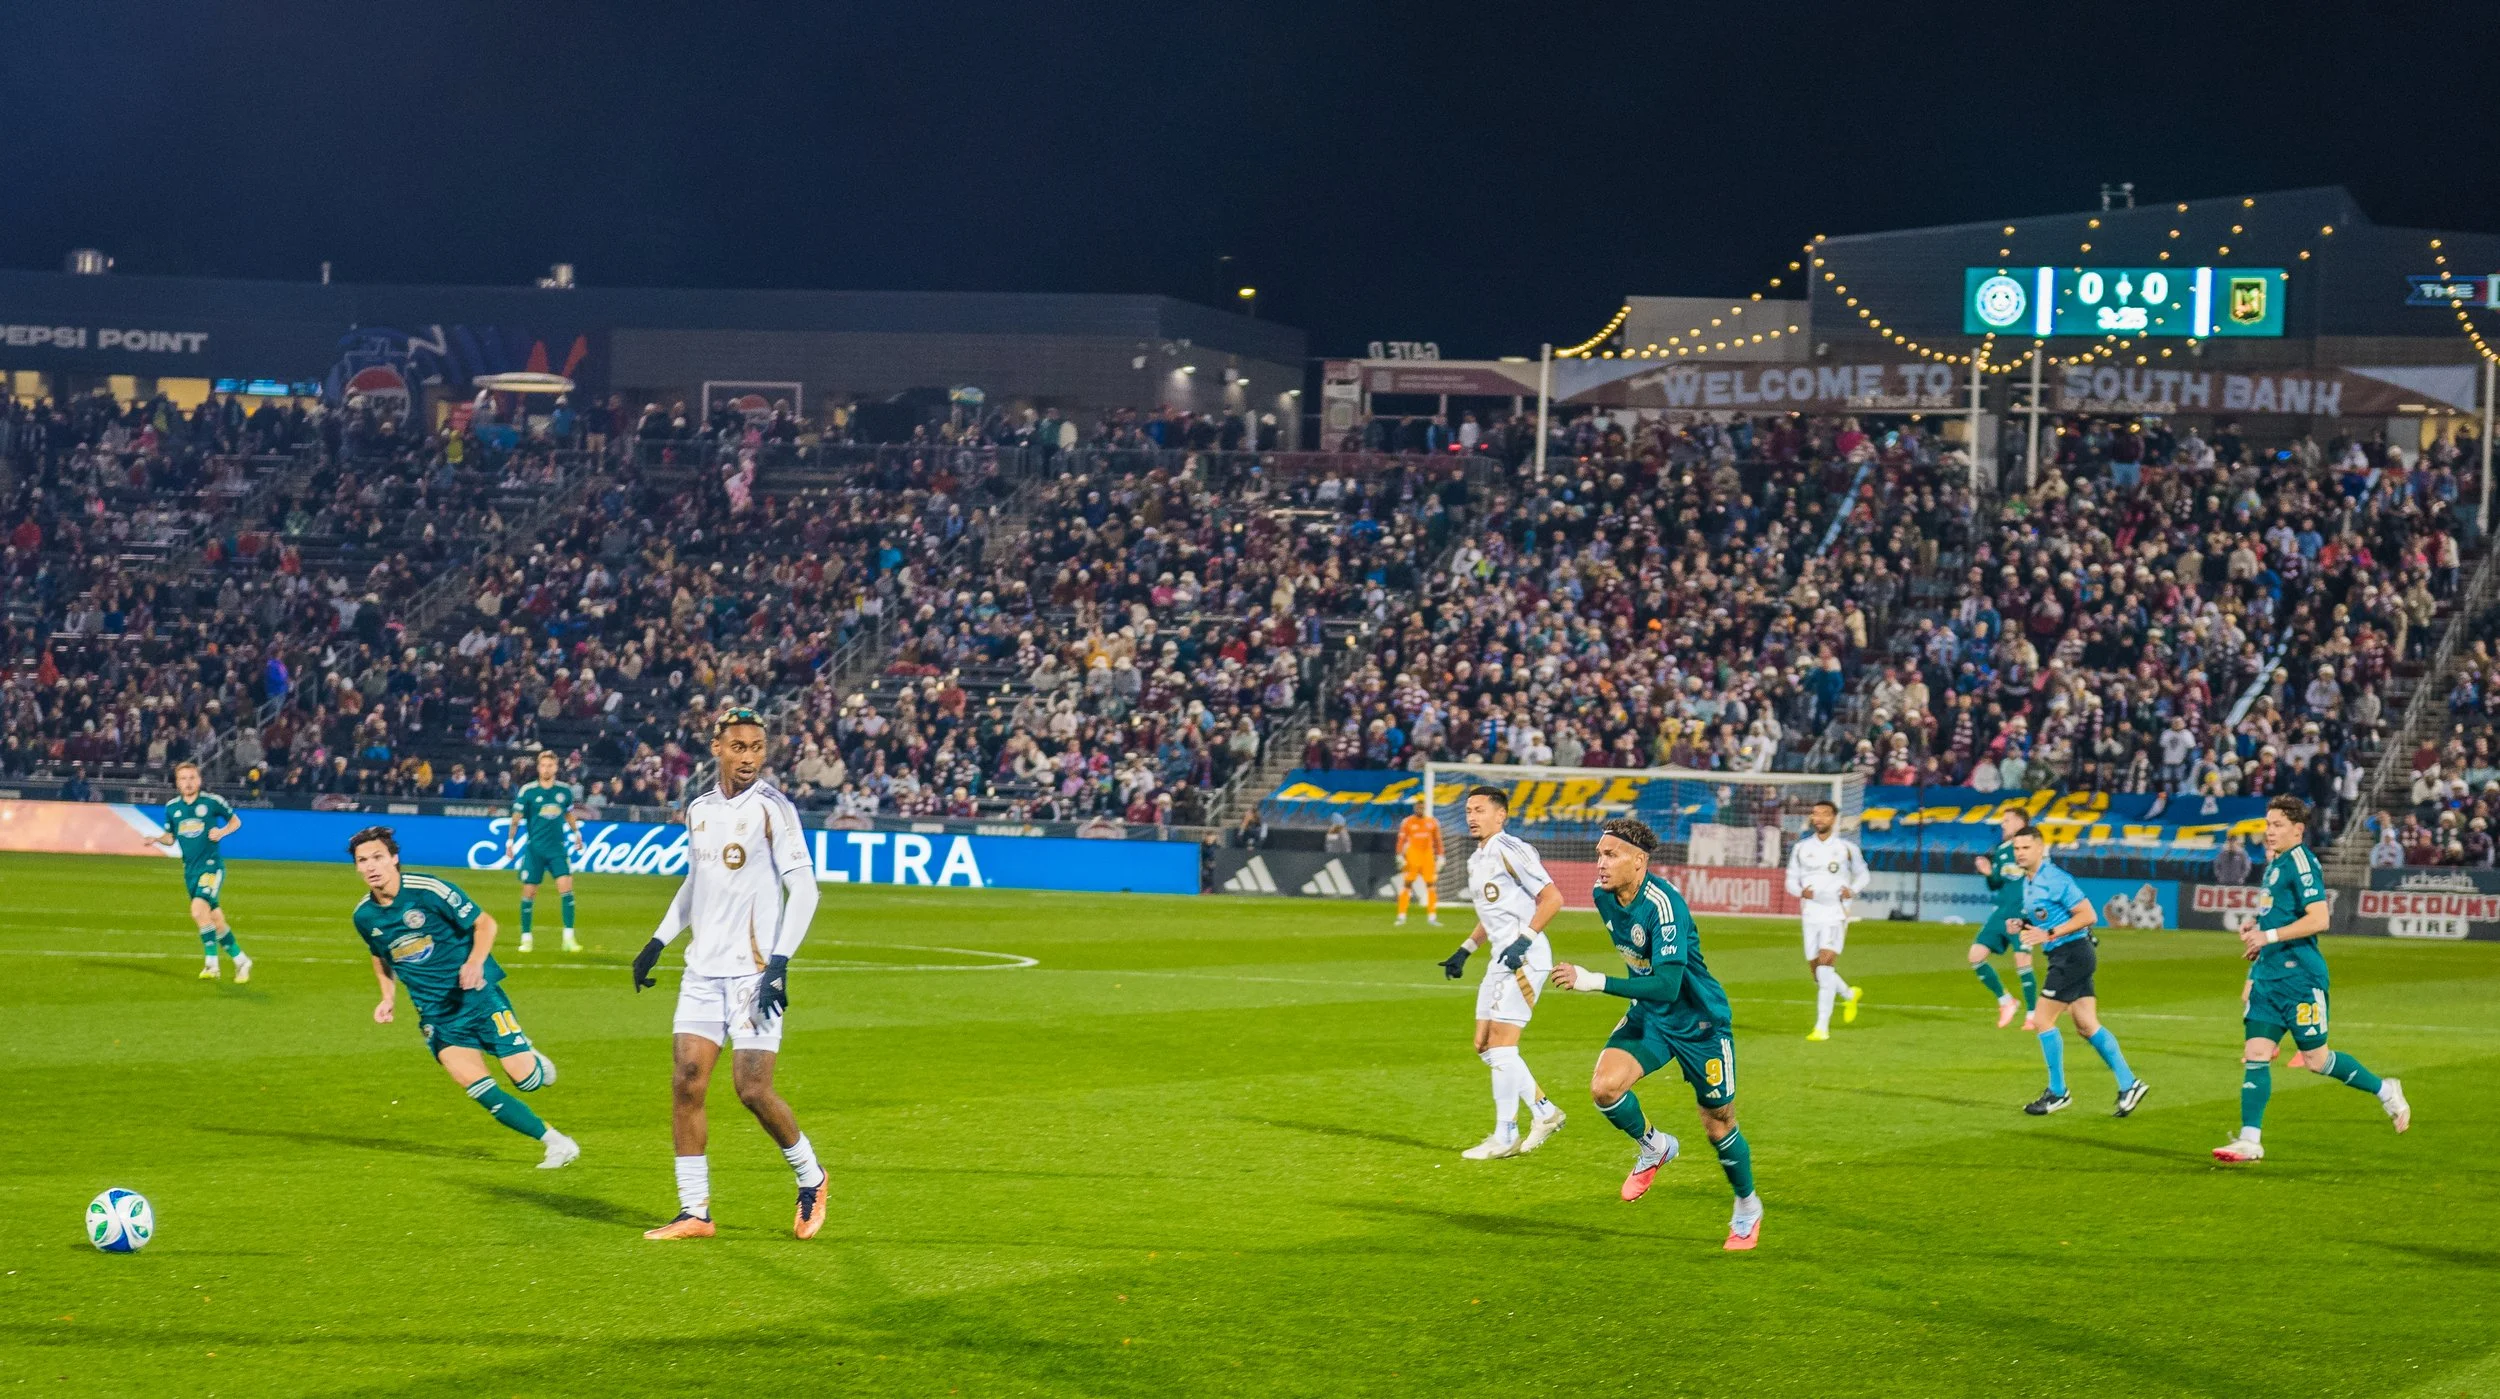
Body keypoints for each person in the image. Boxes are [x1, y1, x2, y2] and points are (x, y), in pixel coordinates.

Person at [632, 707, 828, 1240]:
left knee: (752, 1089)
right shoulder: (697, 809)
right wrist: (657, 941)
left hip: (754, 973)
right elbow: (697, 883)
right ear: (716, 747)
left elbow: (805, 888)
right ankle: (695, 1211)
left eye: (757, 748)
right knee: (687, 1083)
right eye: (738, 747)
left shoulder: (773, 809)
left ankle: (812, 1177)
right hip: (702, 971)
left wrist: (781, 964)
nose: (748, 758)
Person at [1551, 818, 1762, 1250]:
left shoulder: (1665, 906)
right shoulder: (1603, 896)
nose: (1600, 863)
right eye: (1599, 854)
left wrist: (1593, 981)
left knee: (1717, 1122)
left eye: (1610, 855)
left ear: (1639, 861)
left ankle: (1747, 1205)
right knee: (1605, 1089)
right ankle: (1655, 1146)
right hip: (1651, 1016)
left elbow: (1667, 985)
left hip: (1699, 1022)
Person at [349, 826, 578, 1168]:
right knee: (480, 1090)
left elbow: (485, 924)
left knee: (528, 1081)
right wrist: (388, 996)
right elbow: (380, 954)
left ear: (394, 859)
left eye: (378, 857)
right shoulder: (364, 915)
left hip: (478, 998)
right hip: (437, 1018)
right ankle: (557, 1143)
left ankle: (526, 1050)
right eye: (362, 860)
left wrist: (474, 962)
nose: (371, 866)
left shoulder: (429, 890)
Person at [2214, 795, 2411, 1162]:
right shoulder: (2275, 864)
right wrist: (2257, 930)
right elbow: (2280, 916)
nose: (2268, 832)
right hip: (2269, 979)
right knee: (2256, 1053)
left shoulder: (2302, 863)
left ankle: (2385, 1089)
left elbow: (2319, 919)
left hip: (2301, 979)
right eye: (2267, 824)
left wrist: (2268, 936)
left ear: (2297, 830)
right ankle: (2249, 1139)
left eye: (2277, 826)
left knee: (2316, 1060)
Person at [1435, 785, 1566, 1160]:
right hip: (1499, 957)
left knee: (1502, 1045)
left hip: (1524, 956)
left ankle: (1505, 1134)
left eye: (1479, 810)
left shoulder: (1512, 849)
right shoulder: (1478, 859)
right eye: (1468, 811)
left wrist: (1523, 941)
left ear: (1500, 815)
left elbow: (1553, 898)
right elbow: (1492, 914)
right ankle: (1544, 1111)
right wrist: (1465, 949)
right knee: (1484, 1045)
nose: (1472, 817)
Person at [2007, 826, 2151, 1118]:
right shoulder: (2030, 881)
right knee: (2086, 1024)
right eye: (2017, 848)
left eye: (2025, 847)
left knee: (2043, 1019)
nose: (2020, 853)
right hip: (2067, 954)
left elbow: (2088, 915)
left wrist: (2049, 933)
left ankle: (2058, 1092)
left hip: (2072, 955)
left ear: (2039, 848)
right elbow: (2047, 917)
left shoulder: (2055, 878)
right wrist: (2022, 924)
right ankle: (2129, 1084)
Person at [146, 761, 252, 983]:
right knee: (215, 920)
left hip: (211, 866)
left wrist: (222, 832)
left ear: (199, 780)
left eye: (192, 778)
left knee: (197, 910)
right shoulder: (172, 808)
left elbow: (236, 821)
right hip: (190, 871)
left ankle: (211, 965)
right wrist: (156, 839)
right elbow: (170, 837)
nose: (188, 782)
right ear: (177, 783)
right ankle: (241, 960)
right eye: (183, 779)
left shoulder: (211, 802)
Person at [1785, 799, 1867, 1041]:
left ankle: (1822, 1027)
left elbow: (1863, 874)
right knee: (1818, 973)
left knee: (1825, 965)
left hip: (1835, 912)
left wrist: (1851, 890)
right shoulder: (1801, 848)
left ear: (1834, 819)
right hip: (1810, 913)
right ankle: (1849, 995)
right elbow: (1790, 880)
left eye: (1824, 814)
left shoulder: (1846, 849)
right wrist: (1800, 891)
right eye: (1815, 813)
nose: (1819, 818)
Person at [505, 749, 585, 953]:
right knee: (529, 893)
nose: (546, 769)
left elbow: (568, 814)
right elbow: (516, 818)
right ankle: (526, 938)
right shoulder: (528, 791)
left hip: (557, 850)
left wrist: (576, 833)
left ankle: (568, 938)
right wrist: (510, 841)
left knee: (567, 890)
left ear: (556, 767)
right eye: (543, 765)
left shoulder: (564, 791)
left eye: (550, 765)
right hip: (535, 850)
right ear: (538, 768)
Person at [1969, 808, 2038, 1028]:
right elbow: (1996, 884)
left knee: (2022, 961)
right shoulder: (2001, 850)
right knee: (1975, 956)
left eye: (2007, 821)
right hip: (2002, 912)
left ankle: (2033, 1014)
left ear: (2020, 822)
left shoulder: (2035, 849)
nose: (2003, 825)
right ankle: (2006, 1001)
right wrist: (1989, 872)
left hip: (2024, 912)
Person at [1393, 797, 1444, 926]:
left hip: (1428, 857)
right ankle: (1401, 916)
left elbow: (1438, 841)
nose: (1420, 809)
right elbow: (1401, 840)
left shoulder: (1432, 822)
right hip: (1413, 856)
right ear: (1415, 808)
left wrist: (1441, 856)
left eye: (1422, 807)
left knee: (1431, 885)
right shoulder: (1408, 822)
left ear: (1425, 808)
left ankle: (1432, 917)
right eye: (1418, 807)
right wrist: (1399, 855)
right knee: (1407, 884)